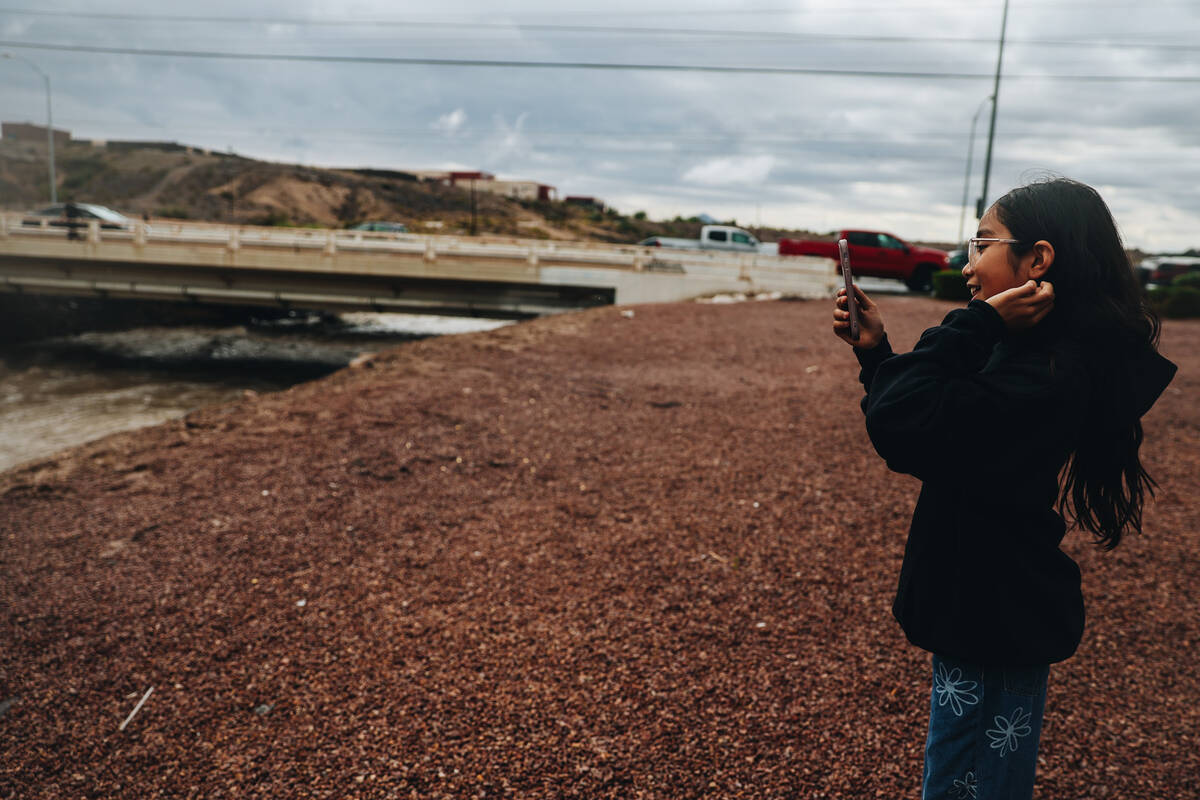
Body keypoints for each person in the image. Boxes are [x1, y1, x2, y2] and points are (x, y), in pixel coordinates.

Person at [830, 178, 1176, 799]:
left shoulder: (1047, 370)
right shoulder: (1032, 354)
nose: (967, 264)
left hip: (990, 609)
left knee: (970, 786)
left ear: (1038, 258)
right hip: (990, 603)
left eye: (982, 243)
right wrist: (877, 353)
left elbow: (906, 421)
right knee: (975, 779)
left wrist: (979, 321)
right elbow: (937, 436)